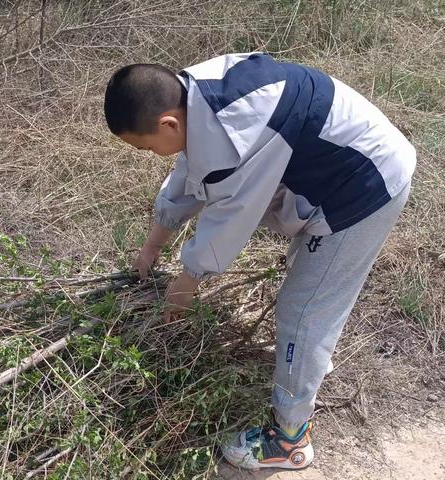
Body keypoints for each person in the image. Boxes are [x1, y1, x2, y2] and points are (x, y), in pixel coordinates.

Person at [103, 52, 415, 471]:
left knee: (303, 309)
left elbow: (227, 222)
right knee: (309, 298)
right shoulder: (194, 91)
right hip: (333, 165)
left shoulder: (235, 133)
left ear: (168, 124)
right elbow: (189, 174)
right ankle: (306, 361)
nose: (149, 154)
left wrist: (187, 282)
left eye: (145, 146)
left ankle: (290, 438)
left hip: (363, 186)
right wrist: (154, 242)